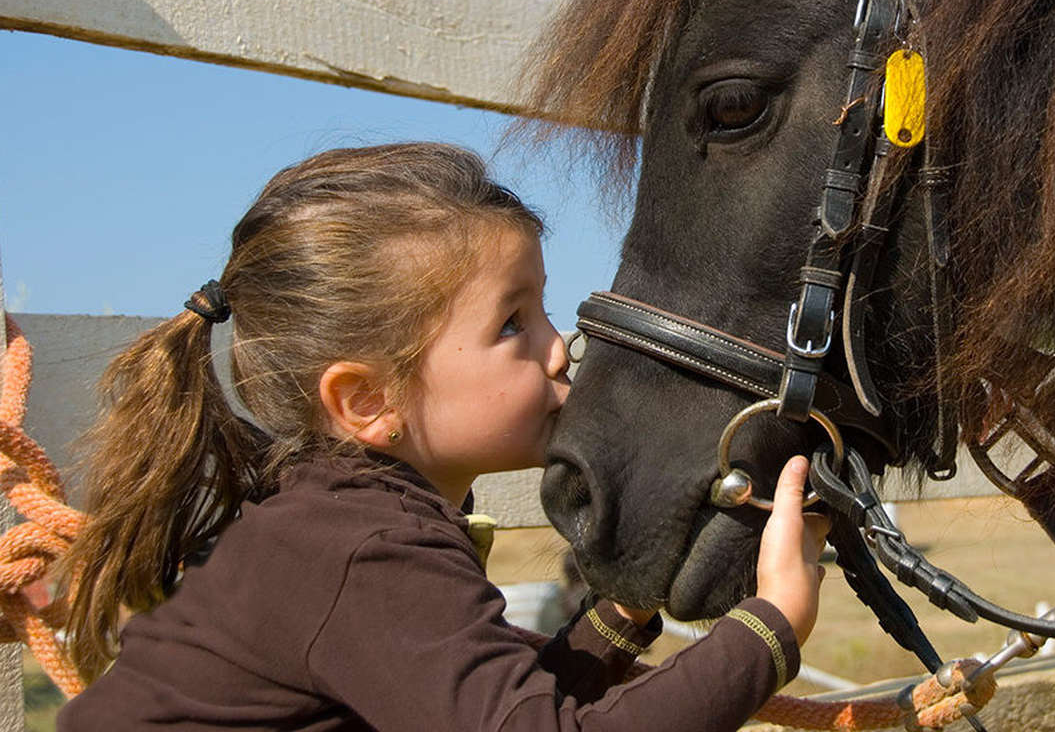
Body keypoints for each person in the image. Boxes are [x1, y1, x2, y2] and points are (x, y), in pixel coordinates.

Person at [56, 142, 828, 731]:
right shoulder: (364, 549)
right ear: (366, 400)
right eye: (512, 323)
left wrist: (618, 615)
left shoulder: (340, 522)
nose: (559, 348)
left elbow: (498, 707)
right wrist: (770, 627)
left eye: (543, 311)